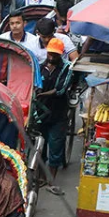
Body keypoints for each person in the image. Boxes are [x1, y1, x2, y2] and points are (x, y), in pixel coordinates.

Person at [35, 37, 71, 190]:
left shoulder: (67, 68)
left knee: (55, 146)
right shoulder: (40, 67)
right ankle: (42, 177)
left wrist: (42, 95)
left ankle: (51, 179)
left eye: (55, 55)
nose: (52, 57)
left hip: (58, 113)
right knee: (40, 145)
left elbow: (61, 90)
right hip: (41, 114)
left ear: (61, 54)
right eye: (50, 54)